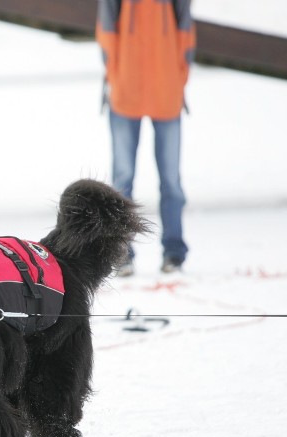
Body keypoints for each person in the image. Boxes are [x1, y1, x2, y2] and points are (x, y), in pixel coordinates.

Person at [96, 0, 196, 275]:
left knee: (171, 182)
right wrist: (115, 77)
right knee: (122, 181)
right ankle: (122, 254)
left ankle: (174, 252)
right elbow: (106, 30)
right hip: (126, 92)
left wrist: (178, 79)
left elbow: (186, 32)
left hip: (166, 93)